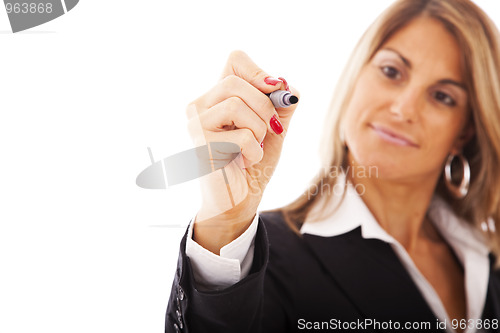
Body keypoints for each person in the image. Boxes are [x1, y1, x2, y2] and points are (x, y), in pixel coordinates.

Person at [165, 0, 500, 332]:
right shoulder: (261, 260)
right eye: (392, 72)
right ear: (356, 76)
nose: (403, 108)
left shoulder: (486, 253)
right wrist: (225, 220)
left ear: (464, 131)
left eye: (443, 96)